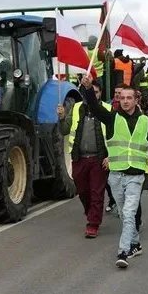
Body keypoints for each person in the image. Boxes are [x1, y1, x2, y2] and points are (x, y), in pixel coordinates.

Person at [80, 75, 148, 268]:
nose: (126, 101)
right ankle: (136, 243)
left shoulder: (146, 121)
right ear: (119, 100)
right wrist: (88, 89)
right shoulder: (112, 118)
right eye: (123, 98)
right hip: (115, 176)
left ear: (136, 100)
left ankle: (123, 251)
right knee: (123, 213)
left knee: (129, 213)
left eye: (130, 98)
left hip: (135, 176)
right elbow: (95, 108)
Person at [58, 80, 111, 238]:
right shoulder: (75, 108)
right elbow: (65, 130)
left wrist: (110, 156)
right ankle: (91, 212)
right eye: (89, 91)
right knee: (82, 191)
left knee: (97, 192)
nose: (92, 95)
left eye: (95, 92)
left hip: (99, 159)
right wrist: (61, 118)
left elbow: (114, 135)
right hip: (79, 158)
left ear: (100, 93)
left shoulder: (107, 110)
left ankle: (93, 224)